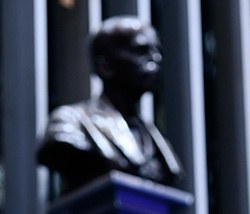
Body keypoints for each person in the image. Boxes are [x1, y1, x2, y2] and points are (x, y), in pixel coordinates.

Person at [37, 16, 183, 194]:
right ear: (105, 66)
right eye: (141, 50)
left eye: (156, 51)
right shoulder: (68, 122)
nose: (156, 59)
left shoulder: (155, 140)